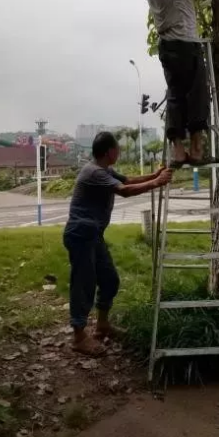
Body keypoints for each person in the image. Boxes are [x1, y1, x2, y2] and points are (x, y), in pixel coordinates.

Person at [63, 131, 172, 356]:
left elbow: (128, 180)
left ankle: (102, 325)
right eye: (117, 149)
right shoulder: (94, 172)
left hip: (94, 235)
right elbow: (125, 191)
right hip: (81, 234)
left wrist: (155, 175)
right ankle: (79, 337)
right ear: (110, 151)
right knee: (83, 284)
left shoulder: (103, 169)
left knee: (110, 279)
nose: (119, 152)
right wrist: (157, 182)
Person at [144, 0, 219, 167]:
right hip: (185, 41)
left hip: (167, 45)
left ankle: (178, 152)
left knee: (176, 96)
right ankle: (197, 151)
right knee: (197, 94)